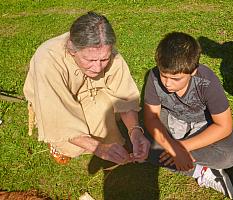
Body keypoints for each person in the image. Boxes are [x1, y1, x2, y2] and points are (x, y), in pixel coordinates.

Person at [23, 11, 150, 166]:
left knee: (103, 107)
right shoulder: (47, 61)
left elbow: (124, 95)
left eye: (104, 59)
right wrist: (99, 148)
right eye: (89, 60)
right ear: (72, 51)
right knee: (66, 136)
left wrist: (135, 131)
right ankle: (59, 147)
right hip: (56, 104)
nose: (97, 67)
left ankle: (96, 138)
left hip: (90, 94)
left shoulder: (105, 50)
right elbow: (57, 114)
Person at [144, 32, 233, 199]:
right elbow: (151, 117)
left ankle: (186, 160)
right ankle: (201, 171)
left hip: (204, 125)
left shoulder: (207, 81)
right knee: (143, 148)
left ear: (193, 71)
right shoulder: (154, 77)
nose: (168, 83)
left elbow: (223, 126)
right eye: (164, 75)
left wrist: (181, 148)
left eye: (176, 78)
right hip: (172, 123)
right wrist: (172, 147)